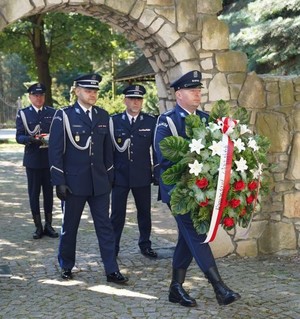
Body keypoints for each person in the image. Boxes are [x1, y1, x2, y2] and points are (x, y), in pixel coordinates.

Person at [154, 70, 241, 307]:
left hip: (203, 191)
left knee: (187, 238)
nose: (197, 93)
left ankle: (175, 288)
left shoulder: (206, 119)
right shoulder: (168, 121)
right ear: (179, 94)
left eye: (199, 90)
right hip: (179, 192)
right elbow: (164, 158)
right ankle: (219, 288)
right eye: (192, 90)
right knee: (197, 234)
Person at [48, 73, 128, 284]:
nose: (92, 94)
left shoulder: (103, 116)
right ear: (77, 91)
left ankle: (111, 270)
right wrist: (59, 181)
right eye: (88, 90)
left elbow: (108, 150)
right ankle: (66, 265)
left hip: (99, 183)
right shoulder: (64, 115)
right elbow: (55, 151)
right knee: (69, 227)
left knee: (105, 227)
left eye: (95, 91)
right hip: (73, 183)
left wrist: (110, 176)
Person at [109, 85, 159, 258]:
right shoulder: (114, 121)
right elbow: (108, 151)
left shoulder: (151, 121)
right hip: (119, 176)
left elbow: (156, 150)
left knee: (144, 212)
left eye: (139, 99)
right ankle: (112, 246)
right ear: (125, 101)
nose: (136, 102)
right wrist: (108, 174)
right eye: (132, 99)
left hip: (142, 175)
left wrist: (157, 174)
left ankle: (145, 244)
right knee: (116, 214)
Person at [16, 83, 58, 240]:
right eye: (35, 95)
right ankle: (38, 226)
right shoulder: (24, 114)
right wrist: (30, 139)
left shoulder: (52, 113)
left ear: (44, 97)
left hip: (48, 160)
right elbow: (18, 136)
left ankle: (49, 225)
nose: (38, 98)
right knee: (34, 194)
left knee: (49, 194)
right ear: (30, 97)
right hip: (33, 160)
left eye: (41, 95)